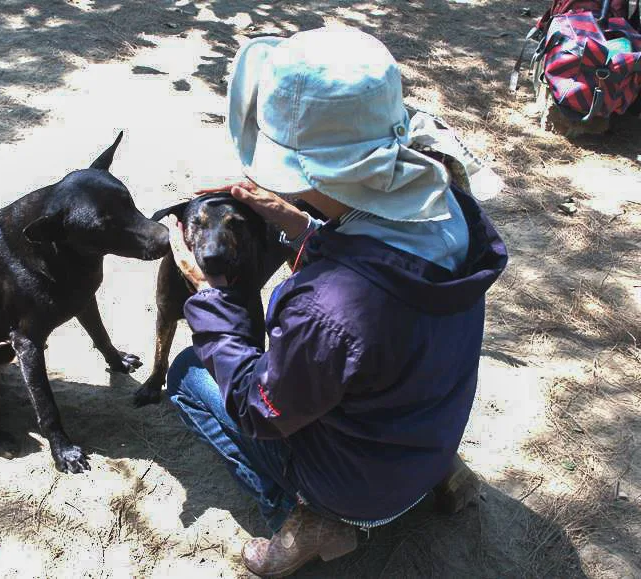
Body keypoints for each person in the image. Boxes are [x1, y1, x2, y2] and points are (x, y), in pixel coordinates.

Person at [160, 26, 508, 577]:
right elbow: (384, 257)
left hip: (357, 485)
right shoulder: (452, 210)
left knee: (187, 375)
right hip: (427, 431)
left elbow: (261, 408)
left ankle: (312, 518)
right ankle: (438, 473)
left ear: (305, 170)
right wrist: (301, 224)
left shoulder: (329, 309)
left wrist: (208, 301)